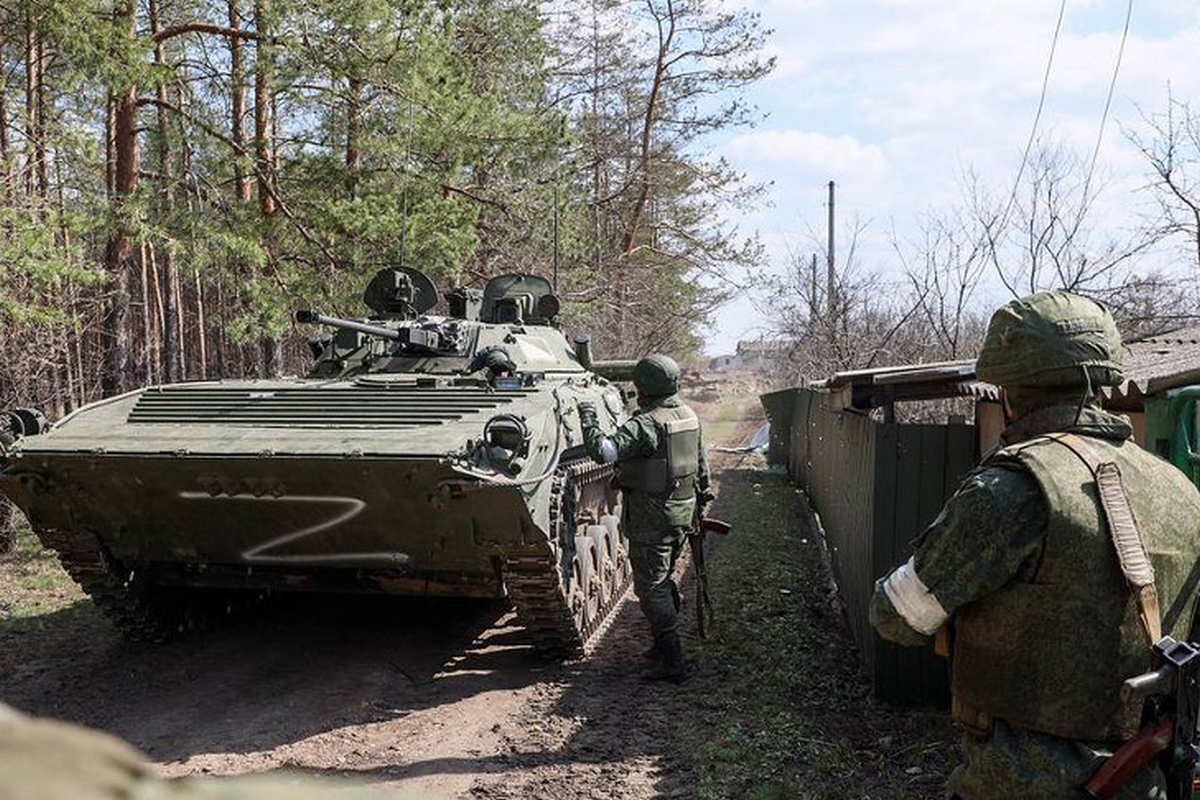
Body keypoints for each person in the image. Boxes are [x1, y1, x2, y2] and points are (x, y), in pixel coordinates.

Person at [869, 291, 1200, 799]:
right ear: (1105, 380)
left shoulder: (1011, 490)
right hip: (1147, 774)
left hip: (1021, 780)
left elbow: (896, 616)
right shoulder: (1180, 490)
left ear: (1008, 391)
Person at [578, 354, 712, 684]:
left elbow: (605, 451)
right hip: (682, 512)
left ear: (642, 387)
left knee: (652, 589)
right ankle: (660, 646)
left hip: (652, 519)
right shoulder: (687, 415)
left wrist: (589, 419)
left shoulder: (647, 423)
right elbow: (702, 468)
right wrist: (701, 504)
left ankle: (673, 662)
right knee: (663, 579)